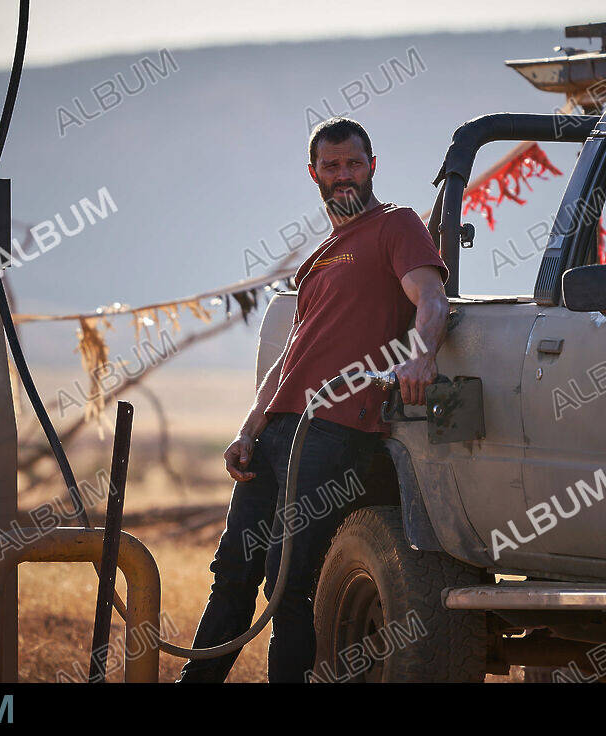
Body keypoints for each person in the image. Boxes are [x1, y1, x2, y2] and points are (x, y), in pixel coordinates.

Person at [176, 117, 450, 683]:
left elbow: (431, 300)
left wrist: (420, 356)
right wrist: (248, 429)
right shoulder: (320, 256)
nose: (343, 175)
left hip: (334, 431)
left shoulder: (396, 226)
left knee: (289, 584)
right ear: (314, 175)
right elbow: (291, 357)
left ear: (373, 166)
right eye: (332, 166)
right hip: (278, 429)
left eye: (354, 163)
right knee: (233, 572)